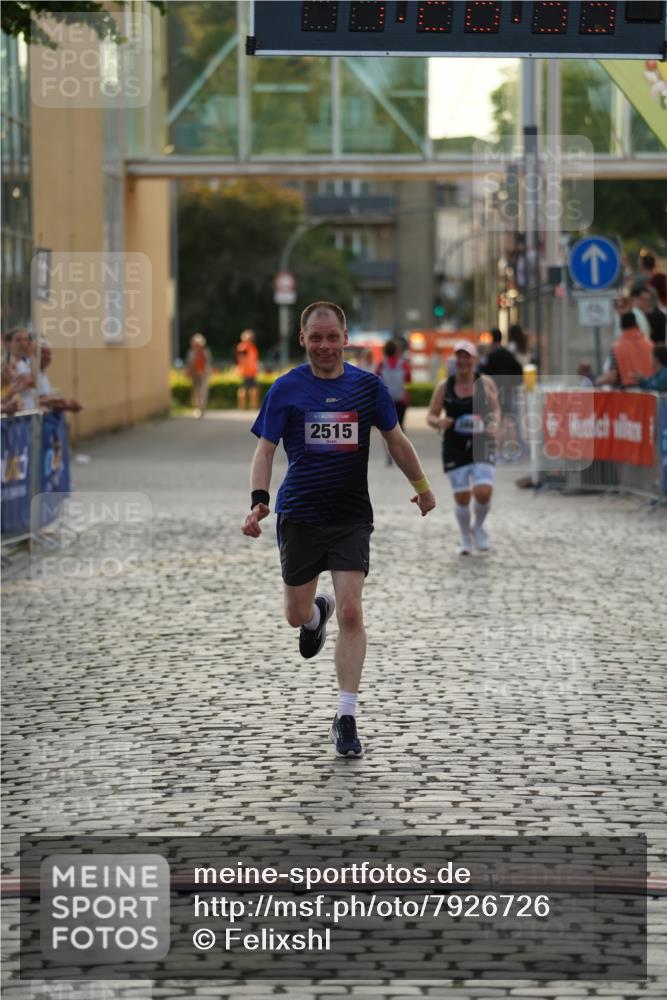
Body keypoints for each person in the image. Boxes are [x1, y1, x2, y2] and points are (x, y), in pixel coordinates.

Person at [241, 301, 436, 758]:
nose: (325, 346)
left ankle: (346, 716)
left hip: (350, 516)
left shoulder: (368, 388)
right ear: (303, 340)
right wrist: (258, 502)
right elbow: (265, 451)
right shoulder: (286, 389)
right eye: (316, 338)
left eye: (333, 337)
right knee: (295, 614)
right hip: (300, 516)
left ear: (346, 339)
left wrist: (423, 488)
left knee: (352, 613)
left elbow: (396, 440)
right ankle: (313, 616)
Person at [427, 341, 500, 556]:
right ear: (454, 360)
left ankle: (478, 526)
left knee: (483, 492)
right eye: (459, 357)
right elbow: (431, 415)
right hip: (454, 446)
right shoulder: (445, 386)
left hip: (481, 443)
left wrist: (495, 424)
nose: (463, 361)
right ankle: (464, 537)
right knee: (462, 498)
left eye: (467, 357)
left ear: (474, 360)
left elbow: (495, 410)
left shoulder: (485, 384)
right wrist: (439, 422)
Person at [480, 327, 523, 460]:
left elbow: (484, 373)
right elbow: (519, 369)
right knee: (510, 420)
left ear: (492, 338)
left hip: (494, 391)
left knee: (496, 420)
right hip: (508, 390)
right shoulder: (508, 353)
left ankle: (497, 452)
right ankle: (513, 452)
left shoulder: (491, 355)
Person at [596, 312, 654, 389]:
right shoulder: (650, 345)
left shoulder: (616, 347)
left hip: (626, 394)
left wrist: (598, 381)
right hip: (649, 392)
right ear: (636, 325)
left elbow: (612, 377)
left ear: (621, 327)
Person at [186, 333, 213, 418]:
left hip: (204, 375)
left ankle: (202, 408)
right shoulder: (191, 353)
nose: (197, 345)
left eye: (199, 343)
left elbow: (208, 363)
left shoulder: (206, 352)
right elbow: (189, 364)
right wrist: (189, 372)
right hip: (195, 375)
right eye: (196, 343)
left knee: (203, 391)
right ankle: (198, 408)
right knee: (196, 392)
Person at [236, 329, 260, 410]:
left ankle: (252, 406)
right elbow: (241, 359)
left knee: (252, 390)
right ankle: (243, 407)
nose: (251, 339)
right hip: (246, 372)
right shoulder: (243, 348)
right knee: (245, 390)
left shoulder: (252, 347)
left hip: (252, 372)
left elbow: (254, 360)